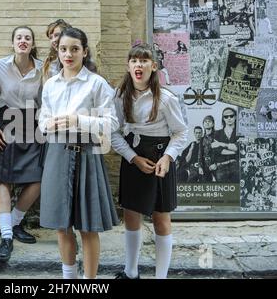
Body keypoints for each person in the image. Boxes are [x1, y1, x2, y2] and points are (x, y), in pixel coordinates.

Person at [39, 27, 120, 279]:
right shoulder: (51, 85)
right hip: (56, 154)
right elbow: (42, 118)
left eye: (75, 49)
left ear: (85, 51)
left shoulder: (97, 84)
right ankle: (69, 280)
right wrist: (47, 125)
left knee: (87, 227)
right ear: (57, 51)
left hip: (87, 155)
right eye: (63, 49)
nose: (68, 54)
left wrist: (78, 120)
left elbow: (112, 123)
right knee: (62, 227)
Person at [111, 42, 188, 279]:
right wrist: (133, 158)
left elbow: (181, 132)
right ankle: (131, 272)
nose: (138, 65)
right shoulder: (120, 95)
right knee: (131, 215)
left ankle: (160, 276)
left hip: (159, 158)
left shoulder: (165, 98)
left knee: (161, 219)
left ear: (153, 66)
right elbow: (113, 132)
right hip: (134, 155)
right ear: (128, 66)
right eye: (134, 60)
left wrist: (168, 157)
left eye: (144, 61)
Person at [0, 26, 43, 262]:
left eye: (27, 38)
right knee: (4, 178)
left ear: (32, 43)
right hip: (6, 123)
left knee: (38, 177)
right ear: (12, 42)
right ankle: (7, 236)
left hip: (33, 124)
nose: (23, 41)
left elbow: (46, 100)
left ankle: (14, 221)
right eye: (19, 37)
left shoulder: (43, 68)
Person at [211, 107, 239, 183]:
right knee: (224, 193)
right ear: (223, 118)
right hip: (221, 167)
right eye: (226, 117)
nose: (229, 118)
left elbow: (237, 147)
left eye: (231, 116)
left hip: (236, 166)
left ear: (235, 117)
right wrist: (234, 151)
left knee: (236, 192)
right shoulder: (217, 133)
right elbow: (217, 150)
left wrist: (220, 144)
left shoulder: (240, 133)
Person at [199, 115, 216, 182]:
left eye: (209, 121)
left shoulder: (217, 135)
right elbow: (200, 154)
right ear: (203, 124)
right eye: (205, 121)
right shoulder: (202, 139)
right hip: (204, 165)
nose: (207, 123)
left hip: (215, 164)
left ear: (213, 124)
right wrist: (200, 167)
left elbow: (219, 152)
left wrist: (216, 164)